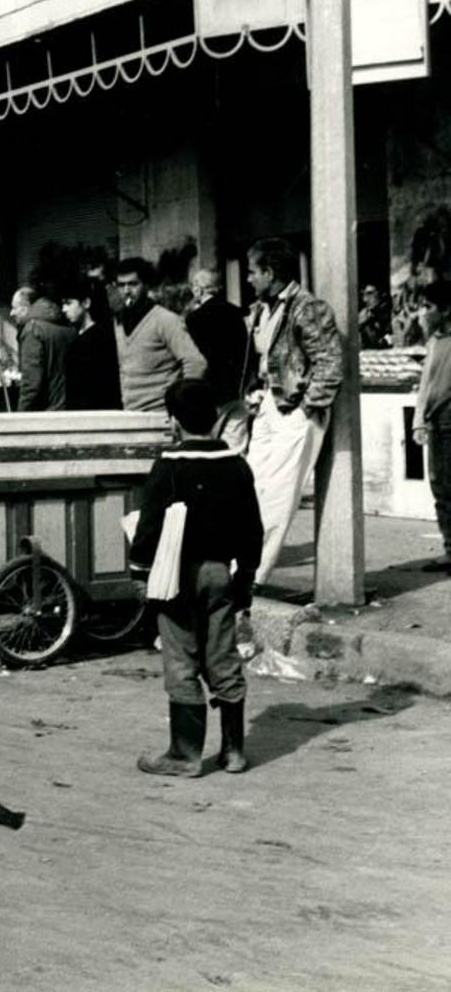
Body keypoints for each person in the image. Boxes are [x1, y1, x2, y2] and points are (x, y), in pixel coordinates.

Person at [130, 380, 264, 777]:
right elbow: (252, 529)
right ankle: (234, 751)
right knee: (222, 655)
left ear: (173, 422)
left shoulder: (169, 466)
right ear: (216, 418)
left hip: (176, 578)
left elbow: (149, 528)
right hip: (220, 574)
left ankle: (184, 755)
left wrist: (139, 574)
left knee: (181, 658)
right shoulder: (237, 465)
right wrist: (246, 578)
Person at [241, 237, 345, 586]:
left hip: (294, 409)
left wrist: (307, 407)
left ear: (270, 272)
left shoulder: (307, 307)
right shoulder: (265, 309)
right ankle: (239, 563)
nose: (248, 279)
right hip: (270, 405)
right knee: (250, 485)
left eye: (253, 272)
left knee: (280, 494)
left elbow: (329, 362)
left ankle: (253, 574)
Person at [113, 258, 207, 413]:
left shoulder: (166, 320)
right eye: (121, 285)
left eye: (133, 284)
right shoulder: (119, 322)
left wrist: (181, 405)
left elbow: (196, 362)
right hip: (130, 414)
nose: (126, 291)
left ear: (146, 285)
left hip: (161, 415)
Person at [409, 280, 451, 573]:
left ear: (446, 309)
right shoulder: (435, 341)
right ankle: (450, 549)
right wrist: (419, 420)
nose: (423, 312)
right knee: (441, 489)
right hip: (437, 424)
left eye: (429, 307)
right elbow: (426, 385)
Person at [185, 267, 250, 449]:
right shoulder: (238, 313)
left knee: (207, 445)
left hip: (208, 391)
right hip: (237, 388)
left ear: (198, 288)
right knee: (236, 444)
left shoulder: (194, 319)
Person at [10, 285, 74, 411]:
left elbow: (31, 383)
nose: (11, 313)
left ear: (25, 309)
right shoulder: (65, 325)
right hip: (70, 408)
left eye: (14, 308)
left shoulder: (32, 331)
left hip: (47, 413)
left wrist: (20, 415)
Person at [61, 281, 122, 410]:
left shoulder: (98, 338)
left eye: (68, 303)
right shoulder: (83, 336)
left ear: (86, 303)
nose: (64, 309)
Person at [358, 283, 392, 350]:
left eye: (370, 294)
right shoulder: (365, 315)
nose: (365, 299)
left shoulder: (390, 314)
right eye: (363, 295)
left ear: (382, 293)